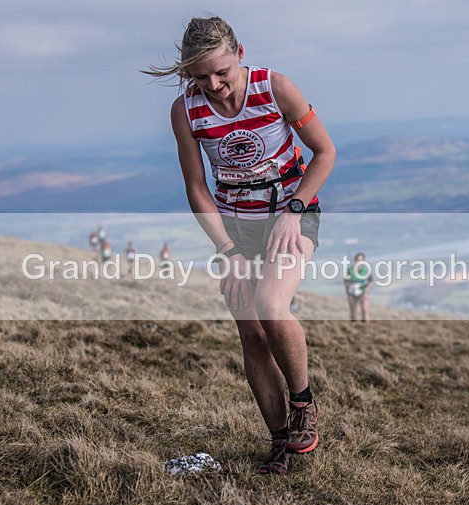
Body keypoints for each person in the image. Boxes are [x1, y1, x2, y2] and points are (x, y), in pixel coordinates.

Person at [144, 16, 336, 475]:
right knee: (251, 334)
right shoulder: (185, 110)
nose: (213, 85)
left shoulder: (276, 88)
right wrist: (227, 252)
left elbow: (325, 153)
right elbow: (197, 187)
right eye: (200, 76)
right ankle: (279, 444)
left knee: (271, 305)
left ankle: (304, 404)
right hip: (236, 230)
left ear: (240, 54)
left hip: (290, 216)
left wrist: (294, 209)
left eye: (221, 72)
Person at [344, 252, 373, 323]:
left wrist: (366, 289)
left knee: (365, 309)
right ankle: (354, 326)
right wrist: (348, 292)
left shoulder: (366, 269)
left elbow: (370, 281)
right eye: (358, 260)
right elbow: (346, 281)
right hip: (352, 292)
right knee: (353, 311)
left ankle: (366, 326)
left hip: (363, 291)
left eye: (361, 260)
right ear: (355, 261)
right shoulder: (350, 270)